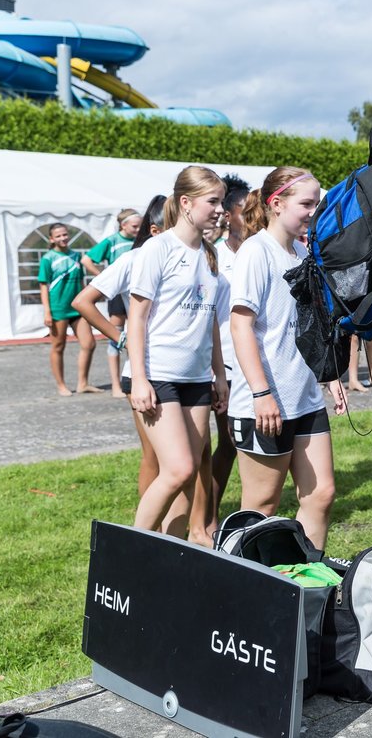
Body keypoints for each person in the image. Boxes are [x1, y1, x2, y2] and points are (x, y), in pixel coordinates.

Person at [229, 168, 347, 549]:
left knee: (321, 494)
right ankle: (244, 586)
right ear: (276, 205)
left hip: (305, 397)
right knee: (261, 506)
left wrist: (330, 377)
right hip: (266, 401)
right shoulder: (255, 252)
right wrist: (262, 394)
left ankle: (307, 583)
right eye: (306, 204)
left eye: (317, 203)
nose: (313, 212)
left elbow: (310, 326)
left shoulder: (301, 253)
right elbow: (240, 327)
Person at [127, 167, 228, 537]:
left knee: (190, 474)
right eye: (212, 202)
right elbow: (135, 318)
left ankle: (171, 550)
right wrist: (139, 378)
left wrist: (219, 375)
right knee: (178, 468)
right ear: (186, 203)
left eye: (221, 201)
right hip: (158, 375)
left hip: (197, 379)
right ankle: (132, 547)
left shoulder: (210, 254)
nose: (220, 210)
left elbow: (211, 322)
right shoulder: (158, 248)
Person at [72, 195, 166, 499]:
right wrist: (119, 336)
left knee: (196, 455)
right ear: (154, 230)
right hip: (147, 369)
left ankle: (199, 527)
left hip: (189, 372)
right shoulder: (134, 258)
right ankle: (148, 532)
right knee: (155, 455)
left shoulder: (198, 258)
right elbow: (83, 301)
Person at [190, 173, 252, 544]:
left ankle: (210, 515)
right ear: (228, 214)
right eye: (245, 209)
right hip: (221, 364)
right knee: (218, 441)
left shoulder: (259, 249)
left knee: (231, 441)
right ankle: (204, 519)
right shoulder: (215, 256)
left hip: (247, 366)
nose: (251, 215)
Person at [82, 208, 142, 398]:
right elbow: (86, 259)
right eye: (134, 226)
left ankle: (133, 376)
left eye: (140, 225)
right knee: (116, 337)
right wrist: (103, 278)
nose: (138, 229)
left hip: (136, 293)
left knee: (136, 333)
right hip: (118, 293)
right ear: (123, 225)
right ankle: (116, 384)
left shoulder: (140, 243)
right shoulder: (112, 241)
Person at [39, 222, 99, 396]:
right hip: (58, 308)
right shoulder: (48, 258)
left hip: (77, 308)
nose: (63, 238)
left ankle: (83, 383)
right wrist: (47, 312)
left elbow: (81, 283)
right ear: (51, 239)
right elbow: (44, 286)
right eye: (58, 236)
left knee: (89, 343)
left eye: (65, 234)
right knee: (58, 346)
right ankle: (61, 385)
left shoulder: (76, 256)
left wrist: (86, 302)